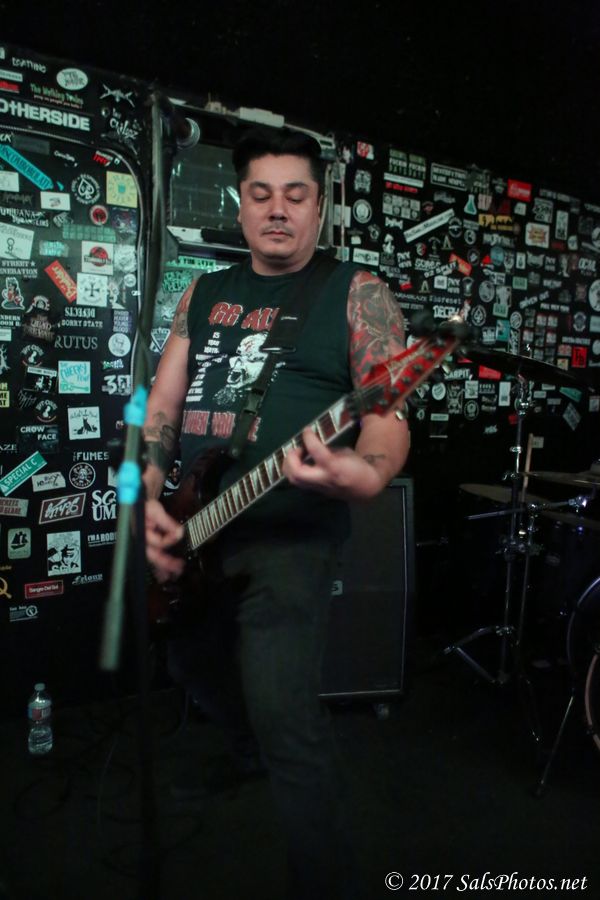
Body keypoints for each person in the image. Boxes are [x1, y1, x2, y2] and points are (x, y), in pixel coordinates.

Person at [143, 127, 410, 900]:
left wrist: (367, 471)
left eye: (296, 195)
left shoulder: (356, 292)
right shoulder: (203, 293)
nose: (277, 210)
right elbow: (161, 406)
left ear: (320, 207)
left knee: (282, 708)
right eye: (261, 195)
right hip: (197, 521)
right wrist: (148, 497)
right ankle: (248, 749)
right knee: (189, 662)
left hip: (291, 533)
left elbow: (388, 414)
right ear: (241, 205)